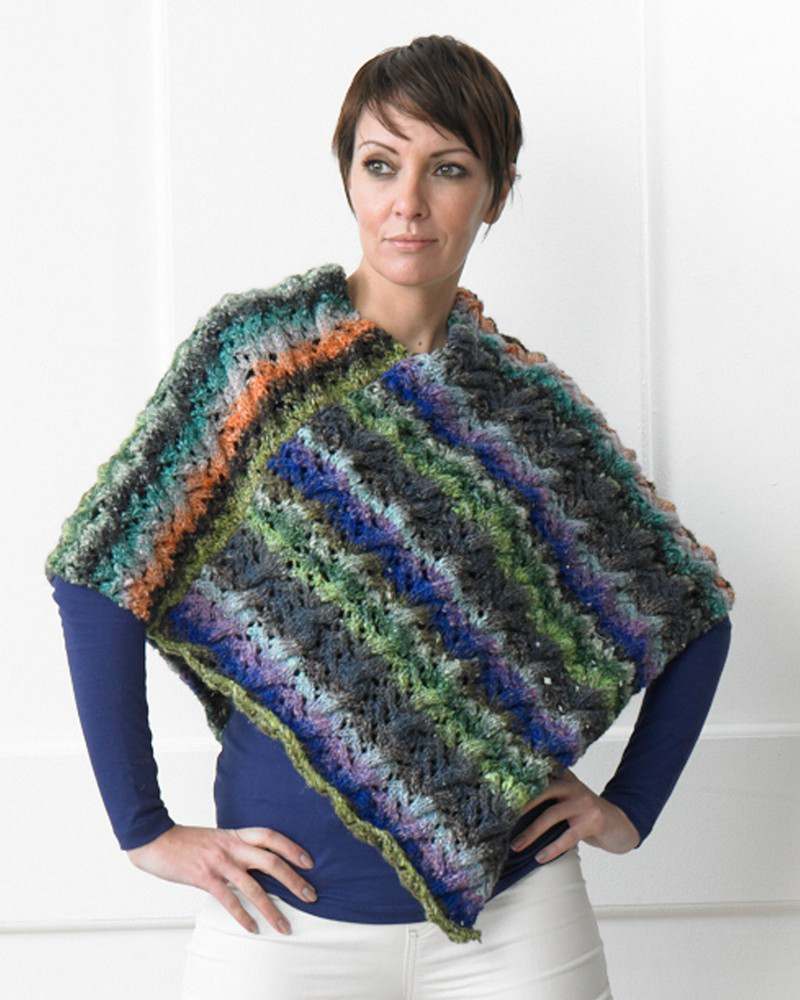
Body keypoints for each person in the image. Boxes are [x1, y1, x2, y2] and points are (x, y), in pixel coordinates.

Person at [48, 33, 733, 1000]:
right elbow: (97, 575)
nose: (407, 201)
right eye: (381, 164)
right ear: (349, 179)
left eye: (447, 169)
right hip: (278, 922)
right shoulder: (254, 362)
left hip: (518, 924)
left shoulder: (531, 415)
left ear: (494, 194)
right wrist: (144, 829)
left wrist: (630, 807)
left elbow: (692, 613)